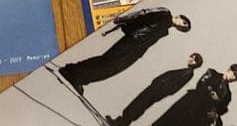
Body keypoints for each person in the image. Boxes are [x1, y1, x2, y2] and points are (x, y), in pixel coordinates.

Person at [58, 6, 192, 94]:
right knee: (106, 61)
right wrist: (122, 19)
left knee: (113, 68)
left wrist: (139, 53)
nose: (182, 26)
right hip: (132, 41)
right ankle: (70, 71)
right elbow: (143, 13)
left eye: (184, 28)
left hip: (136, 50)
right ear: (180, 17)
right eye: (184, 23)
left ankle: (79, 78)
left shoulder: (165, 30)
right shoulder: (164, 13)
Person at [105, 53, 203, 126]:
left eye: (194, 60)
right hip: (157, 89)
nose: (191, 59)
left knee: (139, 105)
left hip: (157, 90)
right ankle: (120, 123)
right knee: (138, 103)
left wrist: (161, 89)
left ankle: (120, 125)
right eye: (191, 57)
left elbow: (174, 88)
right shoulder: (186, 71)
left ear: (196, 64)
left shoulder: (188, 73)